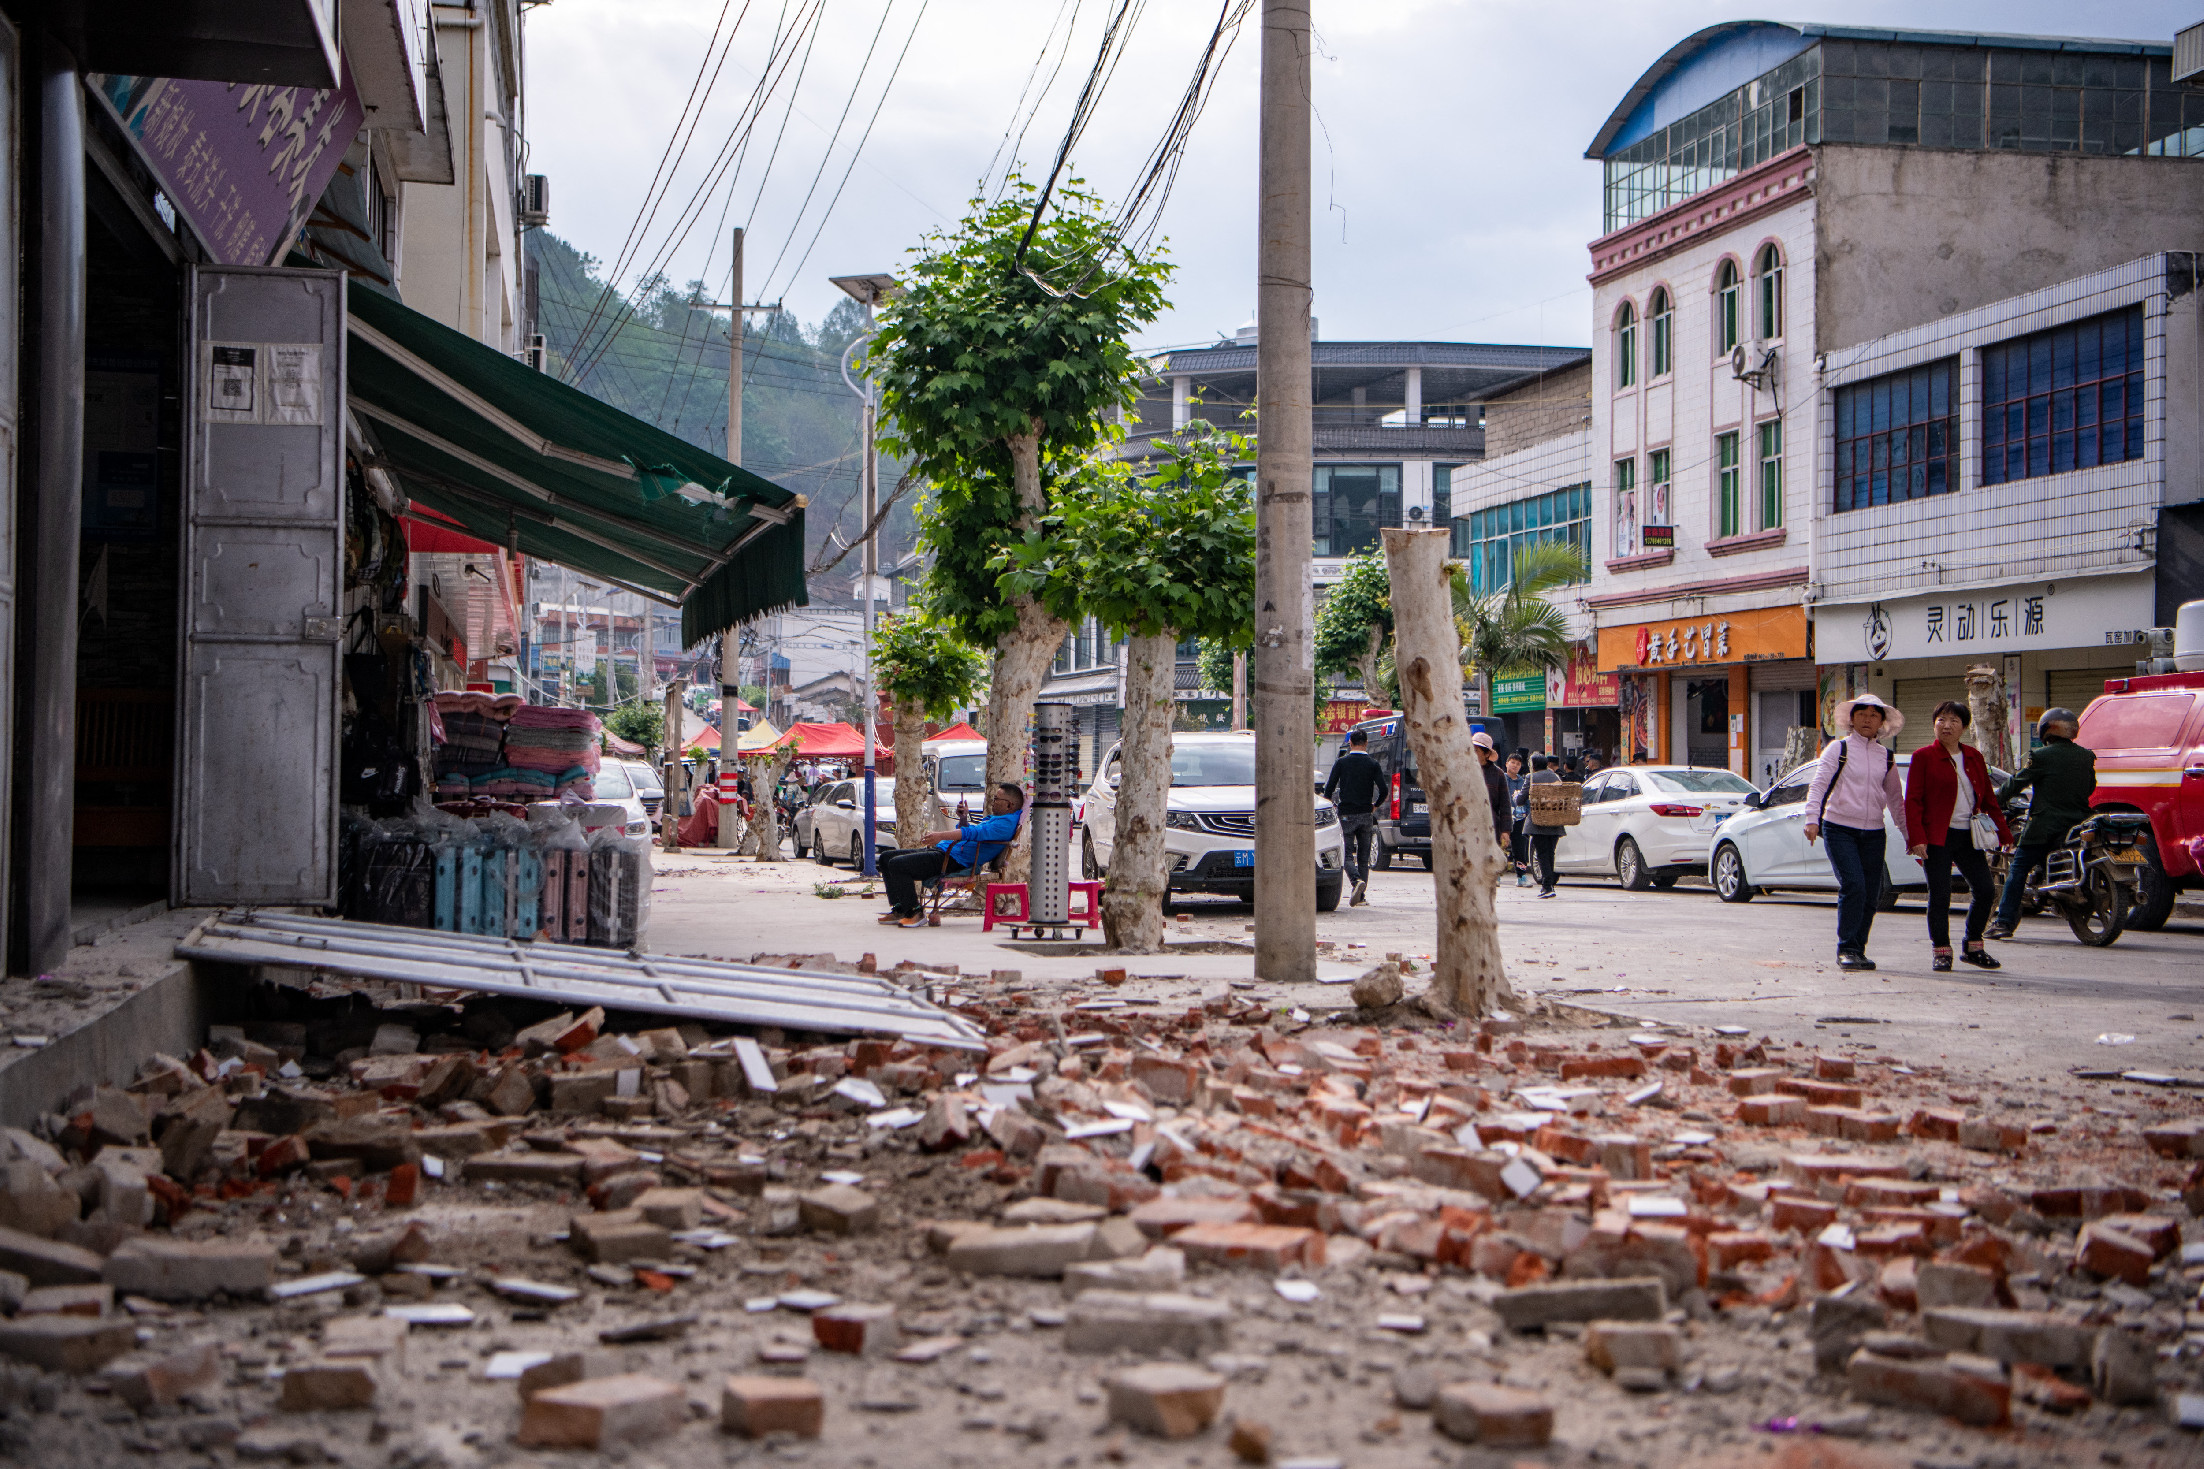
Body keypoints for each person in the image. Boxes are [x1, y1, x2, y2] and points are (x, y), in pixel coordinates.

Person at [1802, 693, 1906, 971]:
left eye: (1874, 714)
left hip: (1874, 833)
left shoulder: (1887, 757)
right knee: (1854, 885)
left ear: (1882, 721)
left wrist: (1910, 836)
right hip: (1839, 829)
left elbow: (1896, 801)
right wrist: (1812, 819)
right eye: (1862, 713)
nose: (1867, 719)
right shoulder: (1838, 749)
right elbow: (1819, 785)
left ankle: (1858, 949)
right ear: (1852, 718)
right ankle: (1846, 948)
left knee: (1872, 893)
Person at [1904, 700, 2010, 972]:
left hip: (1969, 836)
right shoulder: (1923, 757)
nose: (1946, 725)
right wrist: (1916, 838)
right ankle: (1941, 951)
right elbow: (1913, 801)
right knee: (1940, 894)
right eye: (1941, 719)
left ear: (1964, 727)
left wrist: (2004, 834)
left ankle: (1974, 946)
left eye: (1953, 720)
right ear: (1934, 724)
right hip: (1937, 837)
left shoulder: (1974, 757)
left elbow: (1988, 798)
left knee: (1985, 890)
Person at [1986, 707, 2097, 940]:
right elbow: (2090, 788)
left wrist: (1991, 802)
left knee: (2017, 868)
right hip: (2079, 825)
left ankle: (2004, 922)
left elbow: (2015, 784)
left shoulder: (2041, 756)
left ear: (2046, 729)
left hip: (2045, 826)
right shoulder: (2086, 756)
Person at [878, 782, 1025, 928]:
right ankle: (900, 908)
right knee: (886, 857)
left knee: (898, 864)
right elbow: (972, 833)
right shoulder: (997, 819)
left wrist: (941, 835)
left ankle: (914, 912)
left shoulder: (1005, 824)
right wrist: (963, 819)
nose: (993, 802)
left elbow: (973, 833)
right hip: (945, 852)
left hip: (954, 860)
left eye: (997, 799)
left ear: (1009, 805)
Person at [1323, 728, 1385, 906]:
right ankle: (1361, 896)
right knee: (1364, 857)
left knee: (1347, 855)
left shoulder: (1342, 763)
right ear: (1366, 743)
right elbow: (1384, 790)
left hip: (1346, 815)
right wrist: (1375, 805)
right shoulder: (1373, 764)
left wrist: (1333, 805)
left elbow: (1328, 790)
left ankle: (1356, 881)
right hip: (1366, 814)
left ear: (1350, 743)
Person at [1525, 753, 1565, 898]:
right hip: (1555, 822)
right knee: (1550, 853)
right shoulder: (1555, 777)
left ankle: (1547, 886)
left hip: (1539, 822)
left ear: (1533, 765)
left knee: (1541, 854)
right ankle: (1550, 884)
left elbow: (1521, 799)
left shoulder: (1531, 778)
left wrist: (1516, 796)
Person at [1473, 732, 1511, 858]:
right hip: (1467, 828)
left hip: (1490, 828)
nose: (1472, 753)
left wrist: (1505, 831)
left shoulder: (1498, 774)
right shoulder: (1464, 771)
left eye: (1476, 750)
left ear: (1486, 753)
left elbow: (1505, 805)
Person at [1504, 754, 1531, 888]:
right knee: (1501, 846)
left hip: (1521, 819)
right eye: (1512, 762)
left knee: (1520, 848)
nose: (1515, 765)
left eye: (1518, 764)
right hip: (1504, 818)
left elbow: (1528, 800)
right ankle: (1496, 875)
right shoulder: (1501, 778)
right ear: (1506, 763)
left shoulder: (1524, 781)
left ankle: (1522, 876)